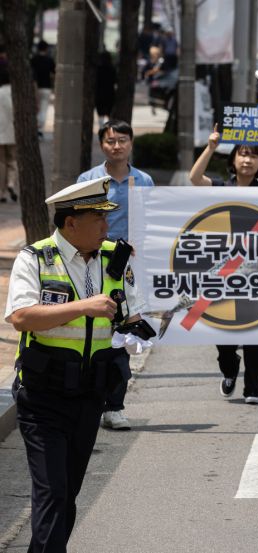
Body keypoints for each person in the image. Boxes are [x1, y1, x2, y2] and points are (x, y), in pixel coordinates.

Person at [5, 177, 146, 552]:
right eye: (98, 218)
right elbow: (21, 317)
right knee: (52, 493)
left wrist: (137, 328)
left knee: (67, 495)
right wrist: (84, 306)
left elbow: (127, 312)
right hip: (43, 397)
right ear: (72, 223)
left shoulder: (114, 257)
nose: (106, 227)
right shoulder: (35, 257)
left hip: (90, 396)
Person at [189, 126, 258, 403]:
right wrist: (210, 147)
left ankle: (254, 390)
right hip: (224, 272)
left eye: (254, 156)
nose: (247, 160)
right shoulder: (221, 188)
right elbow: (194, 178)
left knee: (257, 330)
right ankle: (230, 368)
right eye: (242, 154)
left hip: (257, 273)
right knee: (224, 336)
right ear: (233, 159)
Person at [78, 120, 155, 430]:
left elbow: (152, 219)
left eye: (122, 140)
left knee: (124, 335)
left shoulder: (144, 180)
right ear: (102, 145)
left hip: (131, 270)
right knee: (96, 333)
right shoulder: (89, 179)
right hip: (94, 262)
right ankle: (92, 401)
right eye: (111, 141)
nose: (117, 146)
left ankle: (116, 407)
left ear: (131, 143)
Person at [0, 61, 18, 203]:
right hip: (13, 132)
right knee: (12, 161)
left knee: (1, 162)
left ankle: (2, 193)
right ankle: (11, 183)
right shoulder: (16, 94)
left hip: (0, 133)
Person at [30, 40, 55, 136]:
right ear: (46, 48)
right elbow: (54, 73)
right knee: (43, 109)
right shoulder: (49, 60)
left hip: (34, 87)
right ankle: (39, 129)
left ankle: (35, 128)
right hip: (46, 87)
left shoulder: (33, 60)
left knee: (35, 108)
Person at [95, 51, 117, 126]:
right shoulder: (112, 69)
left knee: (100, 114)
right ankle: (109, 128)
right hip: (110, 93)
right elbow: (115, 81)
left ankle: (102, 129)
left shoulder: (98, 69)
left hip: (99, 94)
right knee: (109, 113)